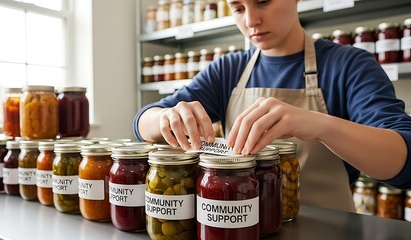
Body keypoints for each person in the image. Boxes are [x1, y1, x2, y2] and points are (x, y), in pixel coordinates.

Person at [133, 0, 411, 212]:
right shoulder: (228, 69)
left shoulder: (349, 65)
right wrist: (166, 117)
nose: (251, 20)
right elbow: (142, 122)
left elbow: (404, 160)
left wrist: (320, 125)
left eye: (263, 1)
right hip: (241, 224)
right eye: (238, 8)